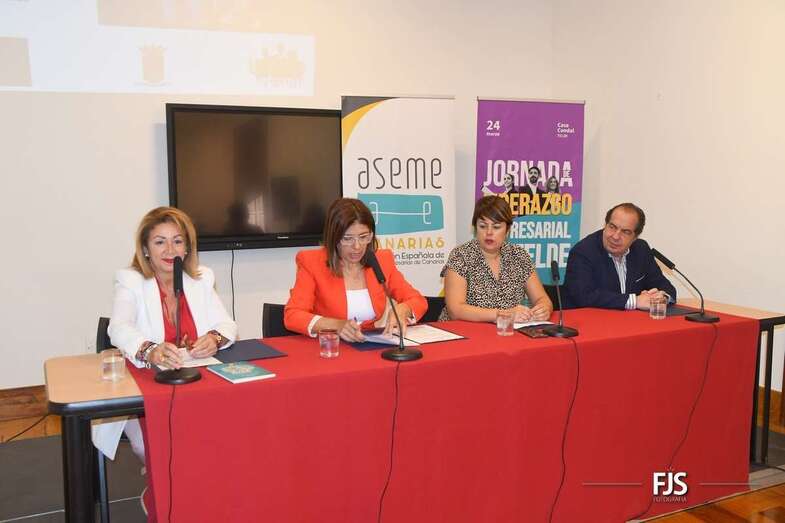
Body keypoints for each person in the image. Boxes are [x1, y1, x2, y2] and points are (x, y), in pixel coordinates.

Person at [100, 207, 237, 464]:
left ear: (187, 248)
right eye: (160, 242)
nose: (170, 250)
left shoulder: (201, 279)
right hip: (148, 384)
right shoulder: (131, 281)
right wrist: (150, 349)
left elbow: (227, 325)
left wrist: (214, 339)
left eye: (177, 241)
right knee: (154, 447)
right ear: (145, 249)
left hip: (196, 384)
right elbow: (118, 327)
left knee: (222, 433)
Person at [284, 198, 427, 341]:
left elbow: (418, 300)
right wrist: (336, 325)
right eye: (347, 238)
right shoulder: (312, 262)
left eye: (363, 237)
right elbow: (293, 315)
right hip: (329, 346)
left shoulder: (381, 260)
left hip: (371, 344)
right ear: (333, 237)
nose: (357, 246)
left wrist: (404, 309)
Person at [440, 196, 553, 322]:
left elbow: (542, 299)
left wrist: (544, 308)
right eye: (483, 226)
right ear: (475, 228)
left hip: (507, 330)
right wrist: (502, 315)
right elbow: (455, 310)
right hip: (462, 331)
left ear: (507, 230)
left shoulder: (518, 255)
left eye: (496, 227)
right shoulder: (461, 256)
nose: (489, 232)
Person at [563, 202, 677, 310]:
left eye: (625, 232)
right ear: (605, 225)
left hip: (630, 321)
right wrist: (635, 301)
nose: (615, 236)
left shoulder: (641, 250)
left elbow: (665, 287)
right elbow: (583, 296)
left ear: (635, 237)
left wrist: (661, 298)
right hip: (590, 320)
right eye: (612, 227)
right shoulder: (584, 251)